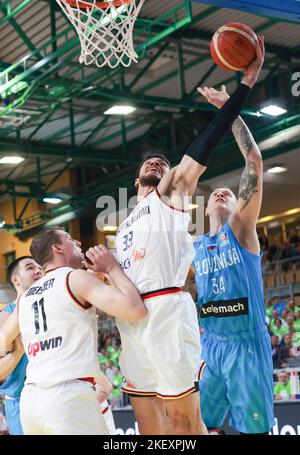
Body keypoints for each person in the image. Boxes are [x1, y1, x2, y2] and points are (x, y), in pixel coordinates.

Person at [98, 37, 265, 435]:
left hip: (168, 312)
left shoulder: (169, 194)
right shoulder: (121, 229)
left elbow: (207, 141)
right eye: (149, 162)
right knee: (149, 423)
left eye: (165, 162)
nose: (158, 162)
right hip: (132, 322)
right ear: (135, 178)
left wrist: (244, 86)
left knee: (186, 422)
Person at [0, 227, 146, 435]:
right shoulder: (74, 278)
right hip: (68, 397)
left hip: (32, 401)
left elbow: (1, 341)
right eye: (69, 239)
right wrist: (112, 268)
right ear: (58, 249)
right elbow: (135, 309)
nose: (78, 242)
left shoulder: (26, 297)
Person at [193, 83, 274, 434]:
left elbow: (254, 161)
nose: (222, 193)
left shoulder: (240, 230)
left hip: (246, 344)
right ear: (207, 207)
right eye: (215, 194)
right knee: (199, 426)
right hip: (210, 345)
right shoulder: (193, 247)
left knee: (253, 429)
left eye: (228, 192)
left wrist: (231, 111)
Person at [0, 256, 43, 435]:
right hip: (20, 400)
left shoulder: (47, 306)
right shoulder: (5, 316)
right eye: (30, 267)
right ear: (16, 279)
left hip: (51, 393)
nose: (38, 270)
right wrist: (18, 351)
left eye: (39, 267)